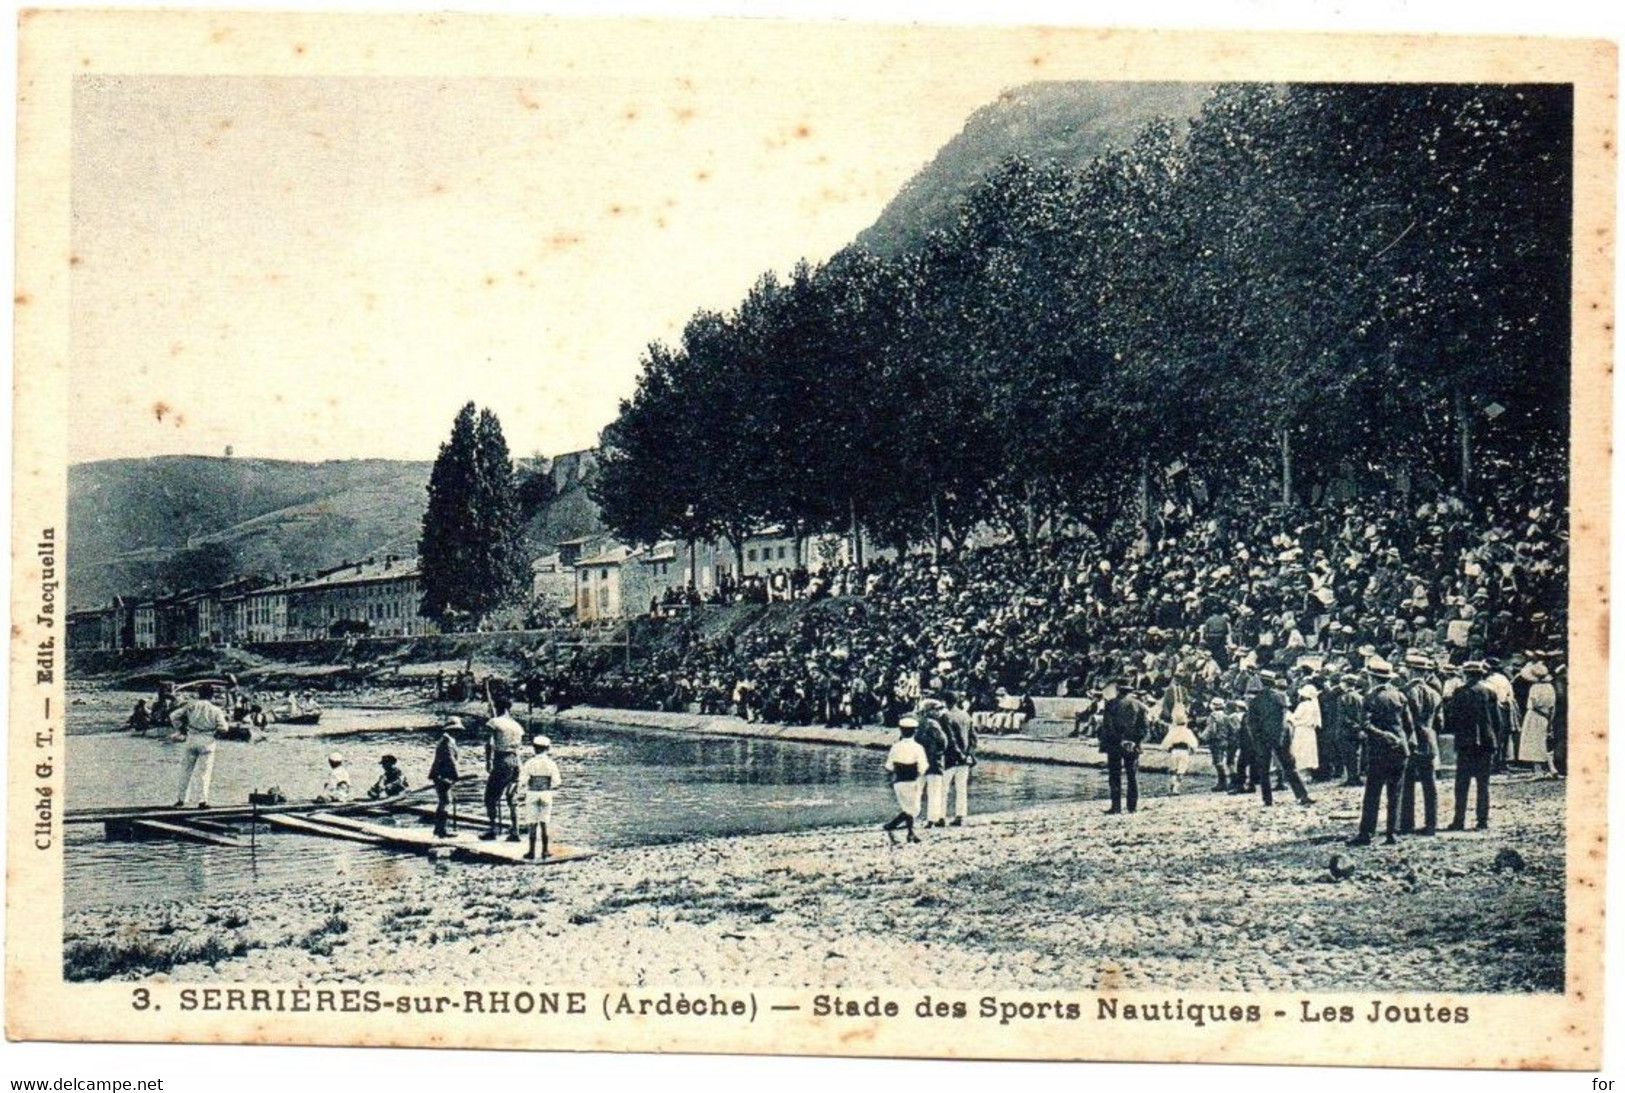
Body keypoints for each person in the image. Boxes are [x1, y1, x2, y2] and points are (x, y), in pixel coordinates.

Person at [1350, 659, 1411, 846]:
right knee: (1395, 793)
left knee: (1373, 793)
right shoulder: (1400, 696)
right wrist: (1400, 740)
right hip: (1400, 749)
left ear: (1372, 678)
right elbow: (1408, 725)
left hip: (1379, 750)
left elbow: (1366, 725)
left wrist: (1384, 736)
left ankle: (1366, 833)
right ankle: (1392, 833)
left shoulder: (1370, 698)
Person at [1444, 661, 1498, 831]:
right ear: (1481, 675)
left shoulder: (1459, 692)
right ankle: (1482, 820)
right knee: (1483, 784)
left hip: (1466, 743)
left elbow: (1452, 719)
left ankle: (1459, 820)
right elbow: (1497, 720)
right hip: (1486, 742)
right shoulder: (1490, 692)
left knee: (1462, 784)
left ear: (1466, 675)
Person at [1247, 671, 1313, 808]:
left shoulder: (1255, 701)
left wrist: (1256, 740)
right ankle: (1302, 795)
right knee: (1290, 767)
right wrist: (1283, 737)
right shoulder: (1280, 698)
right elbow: (1283, 720)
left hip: (1262, 738)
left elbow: (1251, 724)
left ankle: (1267, 799)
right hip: (1280, 737)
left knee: (1264, 769)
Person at [1399, 655, 1442, 836]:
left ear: (1412, 670)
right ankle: (1431, 824)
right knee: (1429, 785)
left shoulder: (1406, 692)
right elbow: (1440, 722)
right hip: (1429, 740)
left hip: (1412, 741)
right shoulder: (1434, 693)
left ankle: (1406, 824)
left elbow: (1405, 719)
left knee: (1407, 784)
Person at [170, 684, 228, 809]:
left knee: (185, 771)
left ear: (199, 694)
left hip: (191, 738)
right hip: (207, 740)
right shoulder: (215, 709)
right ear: (212, 695)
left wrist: (181, 728)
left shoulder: (191, 706)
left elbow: (173, 716)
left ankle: (181, 799)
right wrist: (216, 732)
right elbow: (224, 728)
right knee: (204, 773)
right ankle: (202, 801)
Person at [1099, 677, 1149, 815]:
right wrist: (1134, 740)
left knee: (1115, 775)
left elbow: (1108, 726)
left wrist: (1120, 739)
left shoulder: (1111, 704)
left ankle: (1116, 807)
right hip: (1133, 745)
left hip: (1115, 744)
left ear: (1117, 690)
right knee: (1132, 776)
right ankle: (1132, 807)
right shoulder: (1139, 705)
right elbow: (1144, 728)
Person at [482, 695, 526, 841]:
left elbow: (489, 743)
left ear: (497, 707)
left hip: (503, 760)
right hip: (517, 761)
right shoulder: (517, 725)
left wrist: (488, 761)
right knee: (512, 798)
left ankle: (493, 829)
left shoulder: (494, 722)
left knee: (490, 797)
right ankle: (515, 831)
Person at [883, 717, 928, 845]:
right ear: (915, 731)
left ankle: (898, 827)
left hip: (899, 781)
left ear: (901, 731)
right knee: (914, 809)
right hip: (913, 780)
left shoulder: (895, 747)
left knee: (906, 807)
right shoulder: (918, 748)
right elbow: (923, 767)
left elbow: (889, 766)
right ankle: (908, 832)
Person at [517, 735, 563, 860]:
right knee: (544, 823)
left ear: (534, 748)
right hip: (546, 793)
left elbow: (523, 780)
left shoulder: (529, 763)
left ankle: (531, 851)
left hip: (532, 793)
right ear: (548, 748)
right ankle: (545, 850)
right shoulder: (551, 763)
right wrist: (548, 784)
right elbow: (557, 782)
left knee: (532, 823)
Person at [939, 691, 977, 826]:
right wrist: (969, 755)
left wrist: (959, 754)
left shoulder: (945, 716)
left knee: (943, 788)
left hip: (950, 757)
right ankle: (960, 816)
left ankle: (941, 817)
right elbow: (973, 738)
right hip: (965, 757)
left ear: (945, 702)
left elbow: (950, 739)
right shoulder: (966, 715)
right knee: (961, 788)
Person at [1515, 662, 1557, 774]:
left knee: (1533, 740)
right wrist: (1550, 718)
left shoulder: (1535, 688)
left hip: (1534, 715)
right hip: (1546, 715)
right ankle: (1550, 767)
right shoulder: (1550, 687)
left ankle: (1538, 769)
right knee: (1544, 739)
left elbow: (1531, 704)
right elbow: (1553, 706)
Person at [915, 701, 950, 828]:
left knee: (917, 791)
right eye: (936, 709)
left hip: (919, 762)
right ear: (929, 711)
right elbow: (943, 741)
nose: (938, 712)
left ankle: (911, 816)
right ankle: (932, 819)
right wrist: (939, 752)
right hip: (934, 761)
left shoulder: (918, 723)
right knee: (934, 792)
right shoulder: (933, 724)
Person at [429, 716, 462, 838]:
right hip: (442, 775)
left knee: (444, 801)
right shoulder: (446, 742)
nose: (458, 732)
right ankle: (441, 829)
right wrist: (456, 775)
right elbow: (450, 761)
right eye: (456, 730)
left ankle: (439, 828)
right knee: (446, 801)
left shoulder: (447, 741)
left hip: (443, 775)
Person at [1159, 715, 1200, 795]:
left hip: (1174, 751)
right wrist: (1193, 750)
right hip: (1184, 751)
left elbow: (1166, 742)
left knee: (1173, 769)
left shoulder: (1172, 731)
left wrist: (1167, 748)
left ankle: (1172, 784)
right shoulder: (1187, 731)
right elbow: (1193, 742)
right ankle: (1176, 788)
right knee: (1181, 770)